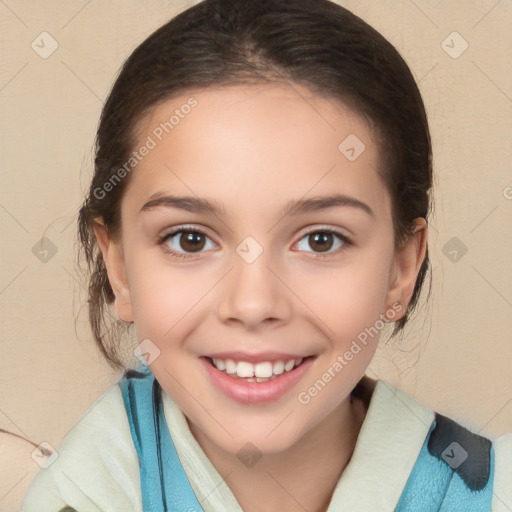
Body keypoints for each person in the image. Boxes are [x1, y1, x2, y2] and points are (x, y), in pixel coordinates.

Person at [21, 0, 511, 510]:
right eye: (190, 239)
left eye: (321, 240)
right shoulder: (74, 493)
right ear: (118, 268)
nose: (253, 304)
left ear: (401, 268)